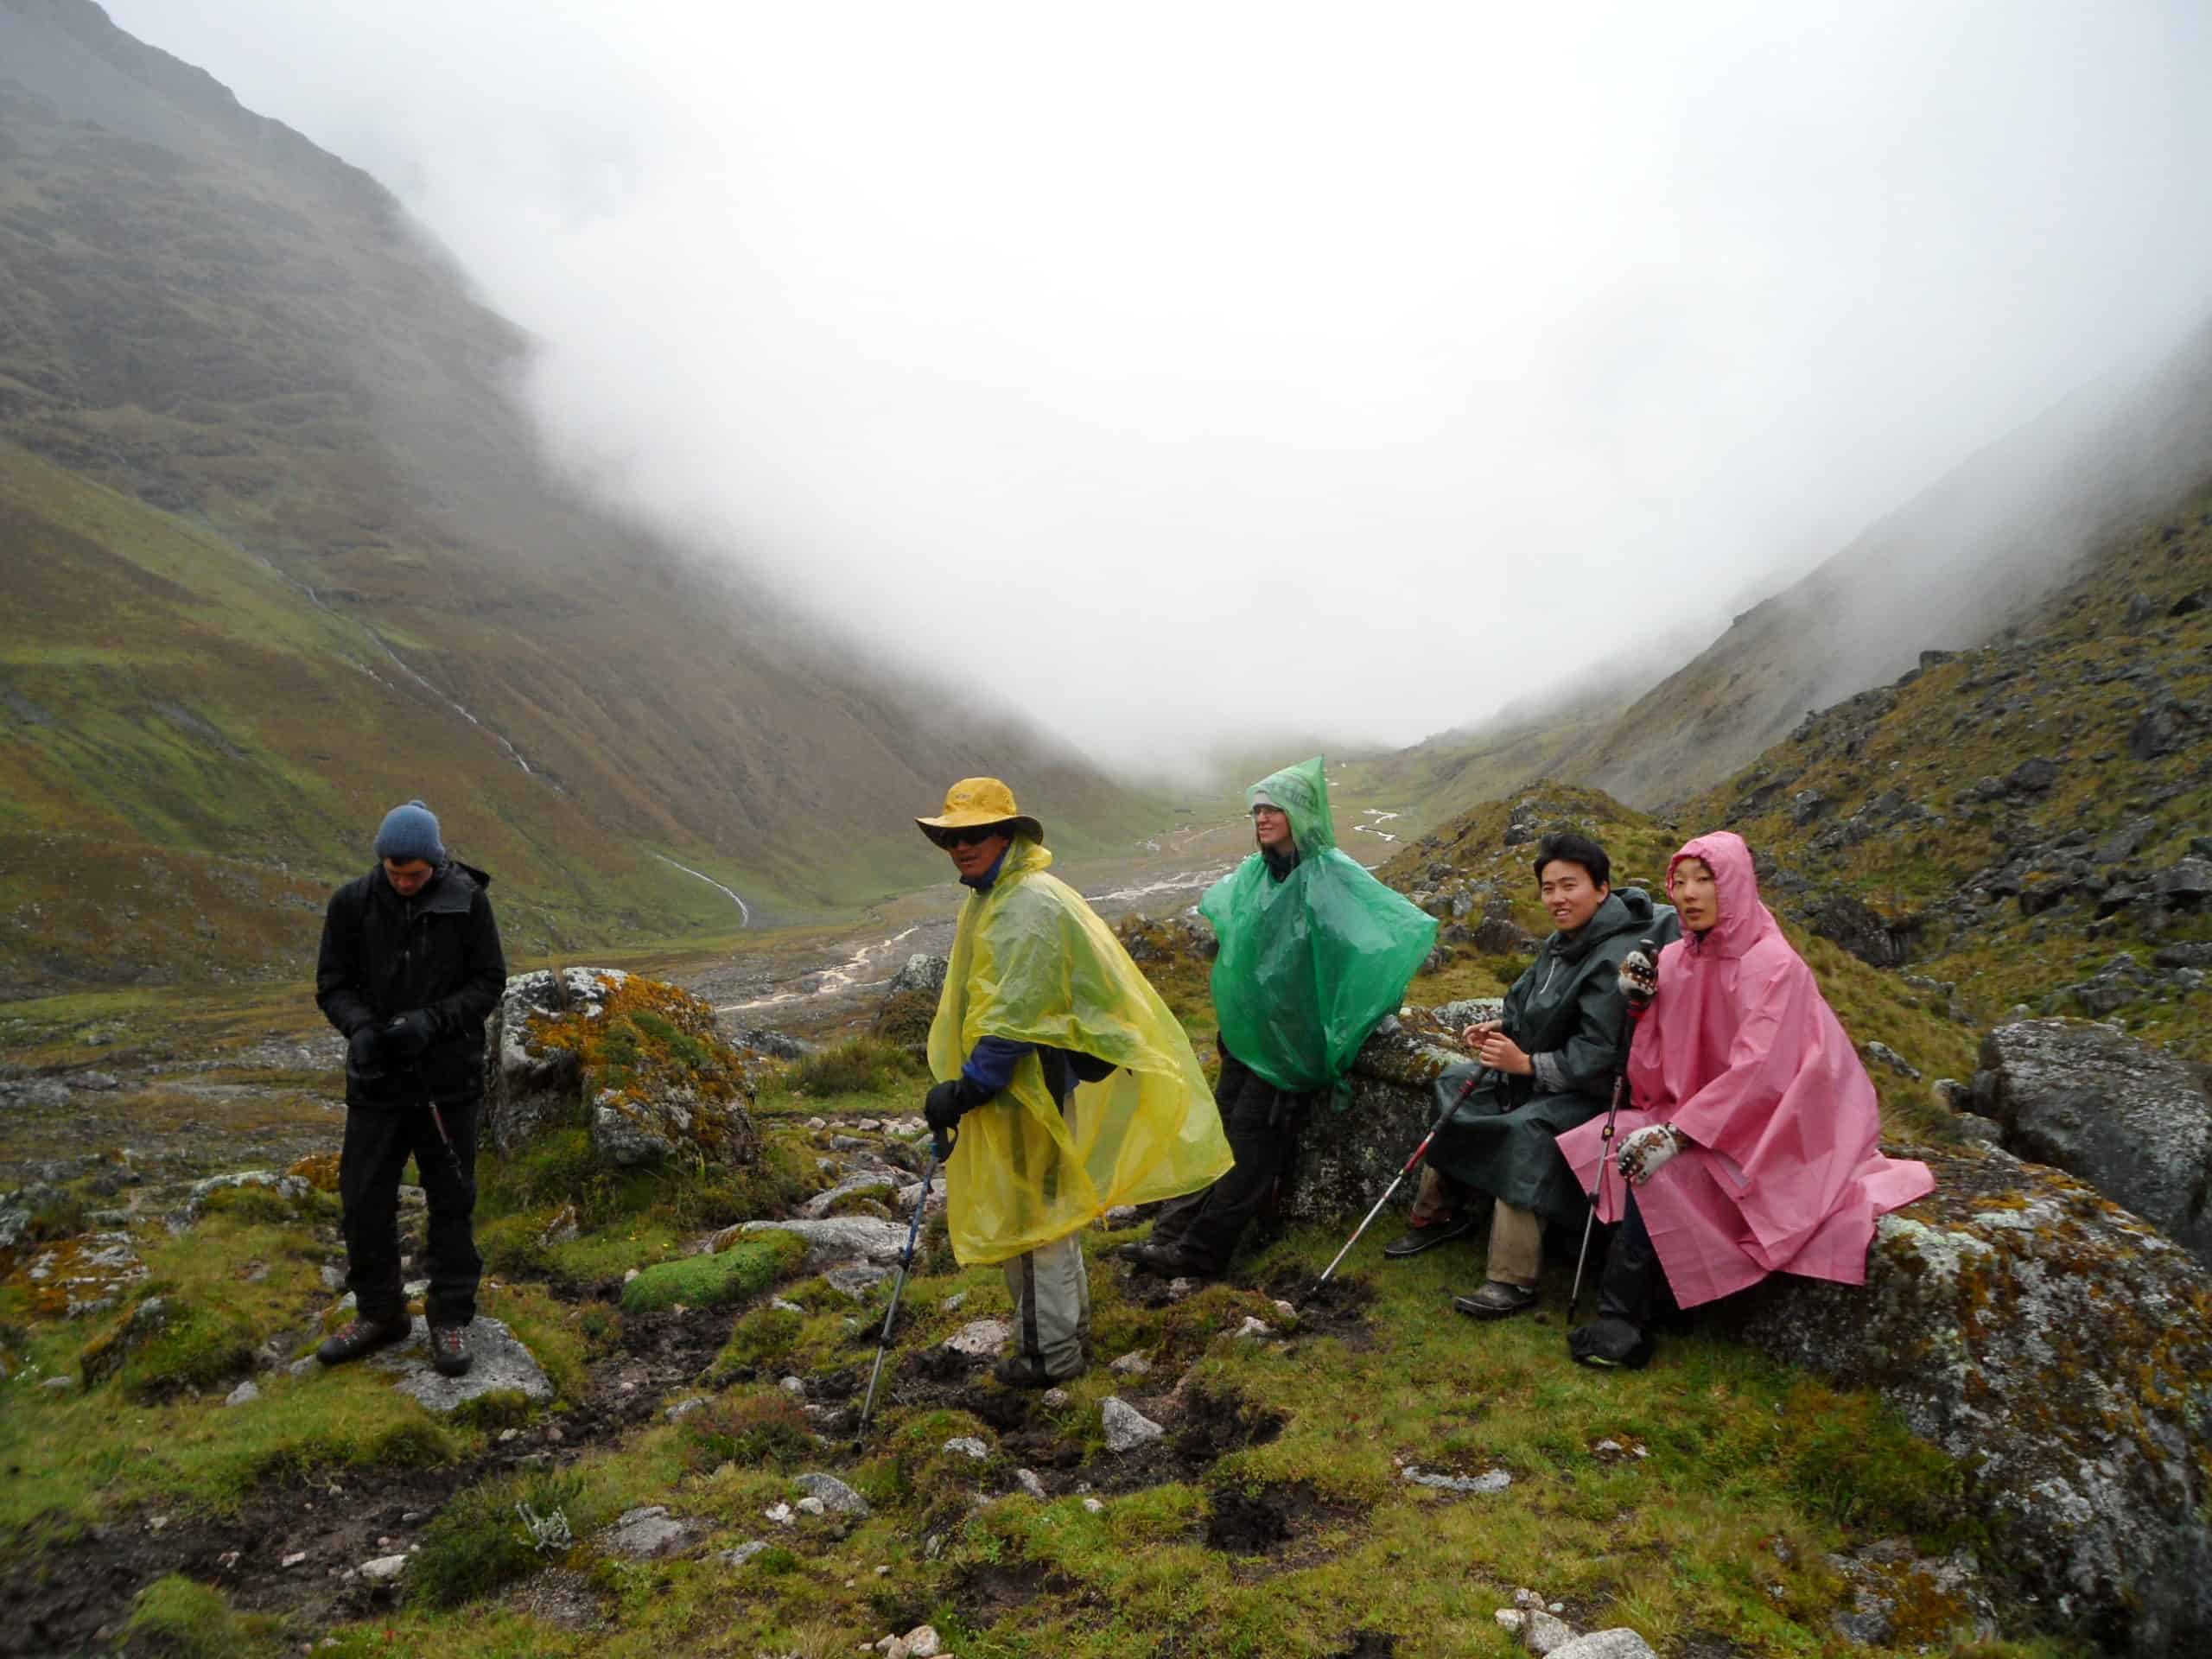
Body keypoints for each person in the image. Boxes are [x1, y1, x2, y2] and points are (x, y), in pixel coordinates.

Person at [1558, 830, 1936, 1369]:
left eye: (1705, 880)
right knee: (1601, 1139)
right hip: (1707, 1115)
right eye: (1680, 881)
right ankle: (1664, 1300)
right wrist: (1641, 1008)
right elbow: (1655, 1067)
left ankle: (1625, 1321)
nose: (1689, 894)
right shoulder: (1673, 959)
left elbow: (1762, 1075)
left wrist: (1678, 1134)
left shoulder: (1773, 965)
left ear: (1734, 884)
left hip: (1780, 1133)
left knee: (1654, 1168)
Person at [917, 778, 1232, 1387]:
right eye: (952, 838)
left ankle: (1049, 1356)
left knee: (1035, 1219)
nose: (961, 847)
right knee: (1049, 1212)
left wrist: (969, 1089)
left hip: (1026, 1086)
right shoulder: (1000, 894)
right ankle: (1069, 1335)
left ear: (1006, 835)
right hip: (1029, 1082)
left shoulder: (1024, 904)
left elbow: (1014, 1013)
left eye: (975, 834)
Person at [1126, 756, 1436, 1280]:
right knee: (1213, 1132)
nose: (1263, 818)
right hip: (1247, 1039)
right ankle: (1168, 1235)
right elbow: (1237, 934)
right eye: (1258, 810)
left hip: (1290, 1049)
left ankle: (1201, 1254)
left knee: (1248, 1144)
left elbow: (1384, 931)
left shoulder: (1330, 874)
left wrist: (1347, 1015)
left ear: (1302, 813)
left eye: (1274, 809)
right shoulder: (1256, 873)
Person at [1388, 832, 1679, 1319]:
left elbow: (1600, 1053)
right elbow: (1539, 1006)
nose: (1557, 899)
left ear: (1602, 888)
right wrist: (1504, 1026)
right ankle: (1440, 1212)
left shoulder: (1614, 954)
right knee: (1455, 1083)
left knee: (1528, 1130)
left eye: (1570, 885)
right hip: (1543, 1072)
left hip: (1592, 1092)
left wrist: (1523, 1064)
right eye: (1548, 888)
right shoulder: (1565, 939)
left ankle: (1512, 1278)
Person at [313, 800, 506, 1377]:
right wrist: (360, 1029)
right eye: (393, 872)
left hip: (447, 1083)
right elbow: (332, 984)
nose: (402, 882)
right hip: (376, 1083)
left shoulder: (468, 902)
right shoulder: (352, 903)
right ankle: (380, 1313)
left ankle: (449, 1316)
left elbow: (488, 982)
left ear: (435, 861)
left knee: (452, 1198)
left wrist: (433, 1021)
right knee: (364, 1199)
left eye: (414, 874)